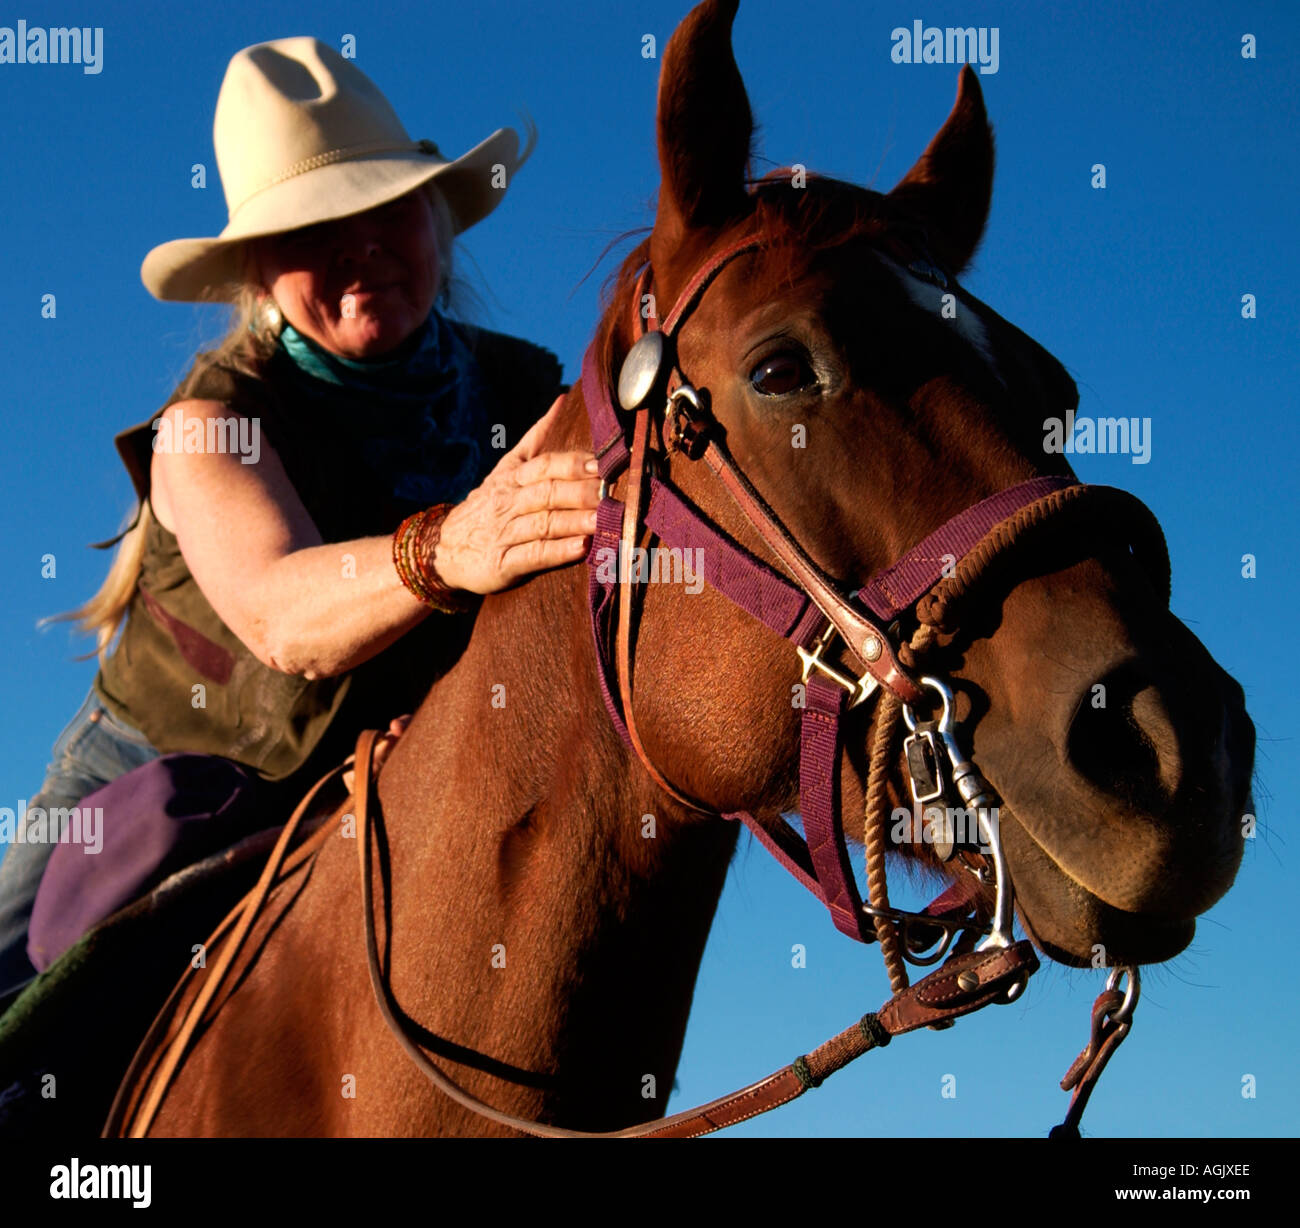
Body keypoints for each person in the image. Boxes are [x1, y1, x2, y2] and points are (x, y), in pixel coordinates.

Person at [0, 37, 600, 999]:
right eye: (311, 229)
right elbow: (283, 616)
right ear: (258, 277)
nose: (355, 247)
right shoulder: (208, 424)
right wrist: (455, 544)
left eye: (381, 209)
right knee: (14, 1013)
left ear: (436, 222)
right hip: (153, 763)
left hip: (378, 772)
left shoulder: (525, 394)